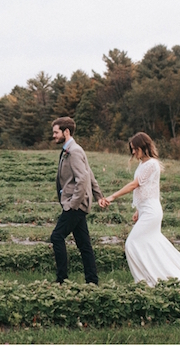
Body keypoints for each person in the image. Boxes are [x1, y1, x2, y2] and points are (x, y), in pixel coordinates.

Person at [99, 132, 180, 287]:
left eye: (135, 148)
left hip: (151, 212)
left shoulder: (151, 164)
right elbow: (149, 189)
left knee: (132, 244)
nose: (133, 152)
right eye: (132, 149)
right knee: (150, 246)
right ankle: (151, 279)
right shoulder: (143, 164)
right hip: (146, 210)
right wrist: (138, 210)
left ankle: (146, 281)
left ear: (143, 147)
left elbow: (135, 185)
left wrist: (112, 197)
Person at [50, 117, 105, 285]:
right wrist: (99, 196)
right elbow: (90, 173)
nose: (54, 135)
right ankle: (92, 281)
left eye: (56, 132)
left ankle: (61, 280)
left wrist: (72, 205)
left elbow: (83, 178)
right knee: (84, 244)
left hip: (75, 205)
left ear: (66, 132)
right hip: (76, 203)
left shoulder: (74, 151)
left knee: (57, 237)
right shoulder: (71, 150)